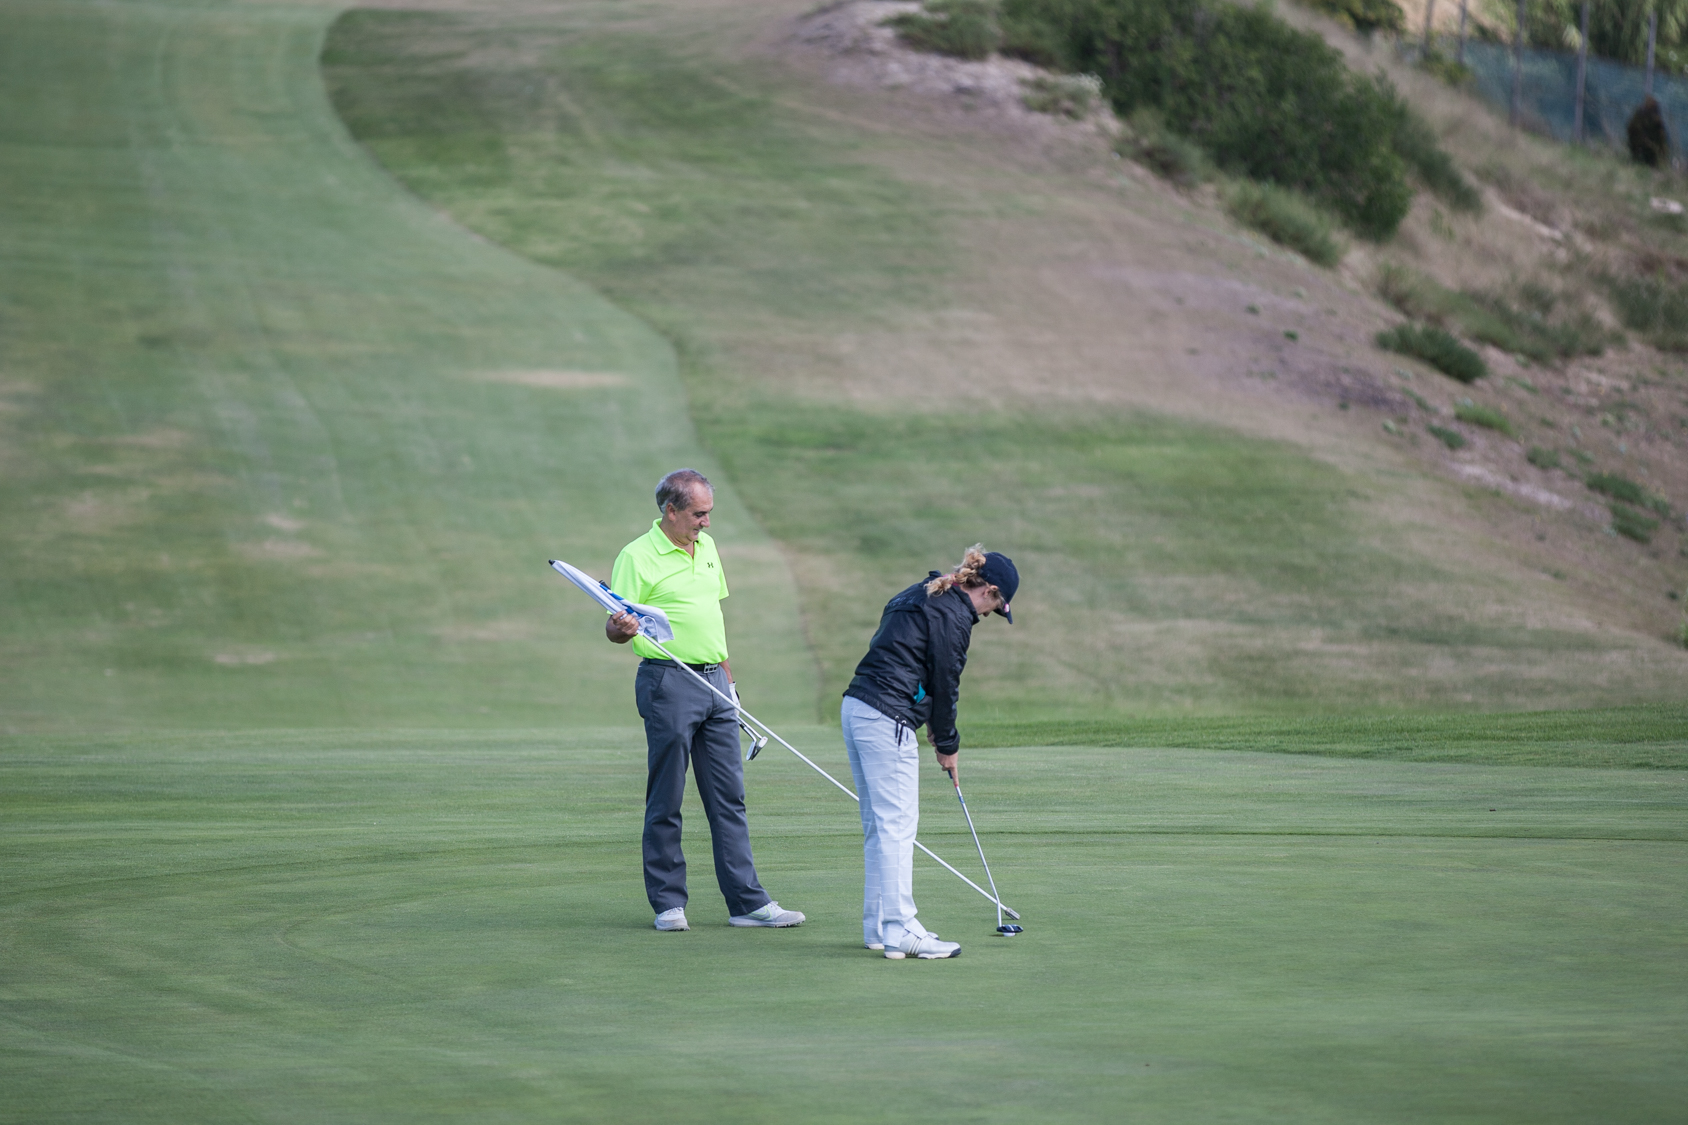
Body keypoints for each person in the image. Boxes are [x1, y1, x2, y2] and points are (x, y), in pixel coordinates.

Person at [606, 469, 804, 932]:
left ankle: (746, 903)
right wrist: (621, 627)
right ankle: (668, 904)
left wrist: (729, 681)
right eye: (698, 514)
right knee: (667, 795)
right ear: (670, 511)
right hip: (667, 681)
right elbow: (615, 628)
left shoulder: (707, 547)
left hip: (716, 682)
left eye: (709, 513)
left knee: (729, 797)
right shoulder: (636, 556)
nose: (706, 523)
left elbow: (711, 617)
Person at [841, 544, 1018, 960]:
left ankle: (879, 926)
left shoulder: (925, 591)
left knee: (880, 826)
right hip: (887, 717)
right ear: (989, 591)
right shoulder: (954, 614)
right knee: (897, 827)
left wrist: (936, 731)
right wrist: (948, 744)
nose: (987, 615)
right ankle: (901, 929)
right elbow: (946, 683)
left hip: (858, 707)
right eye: (994, 607)